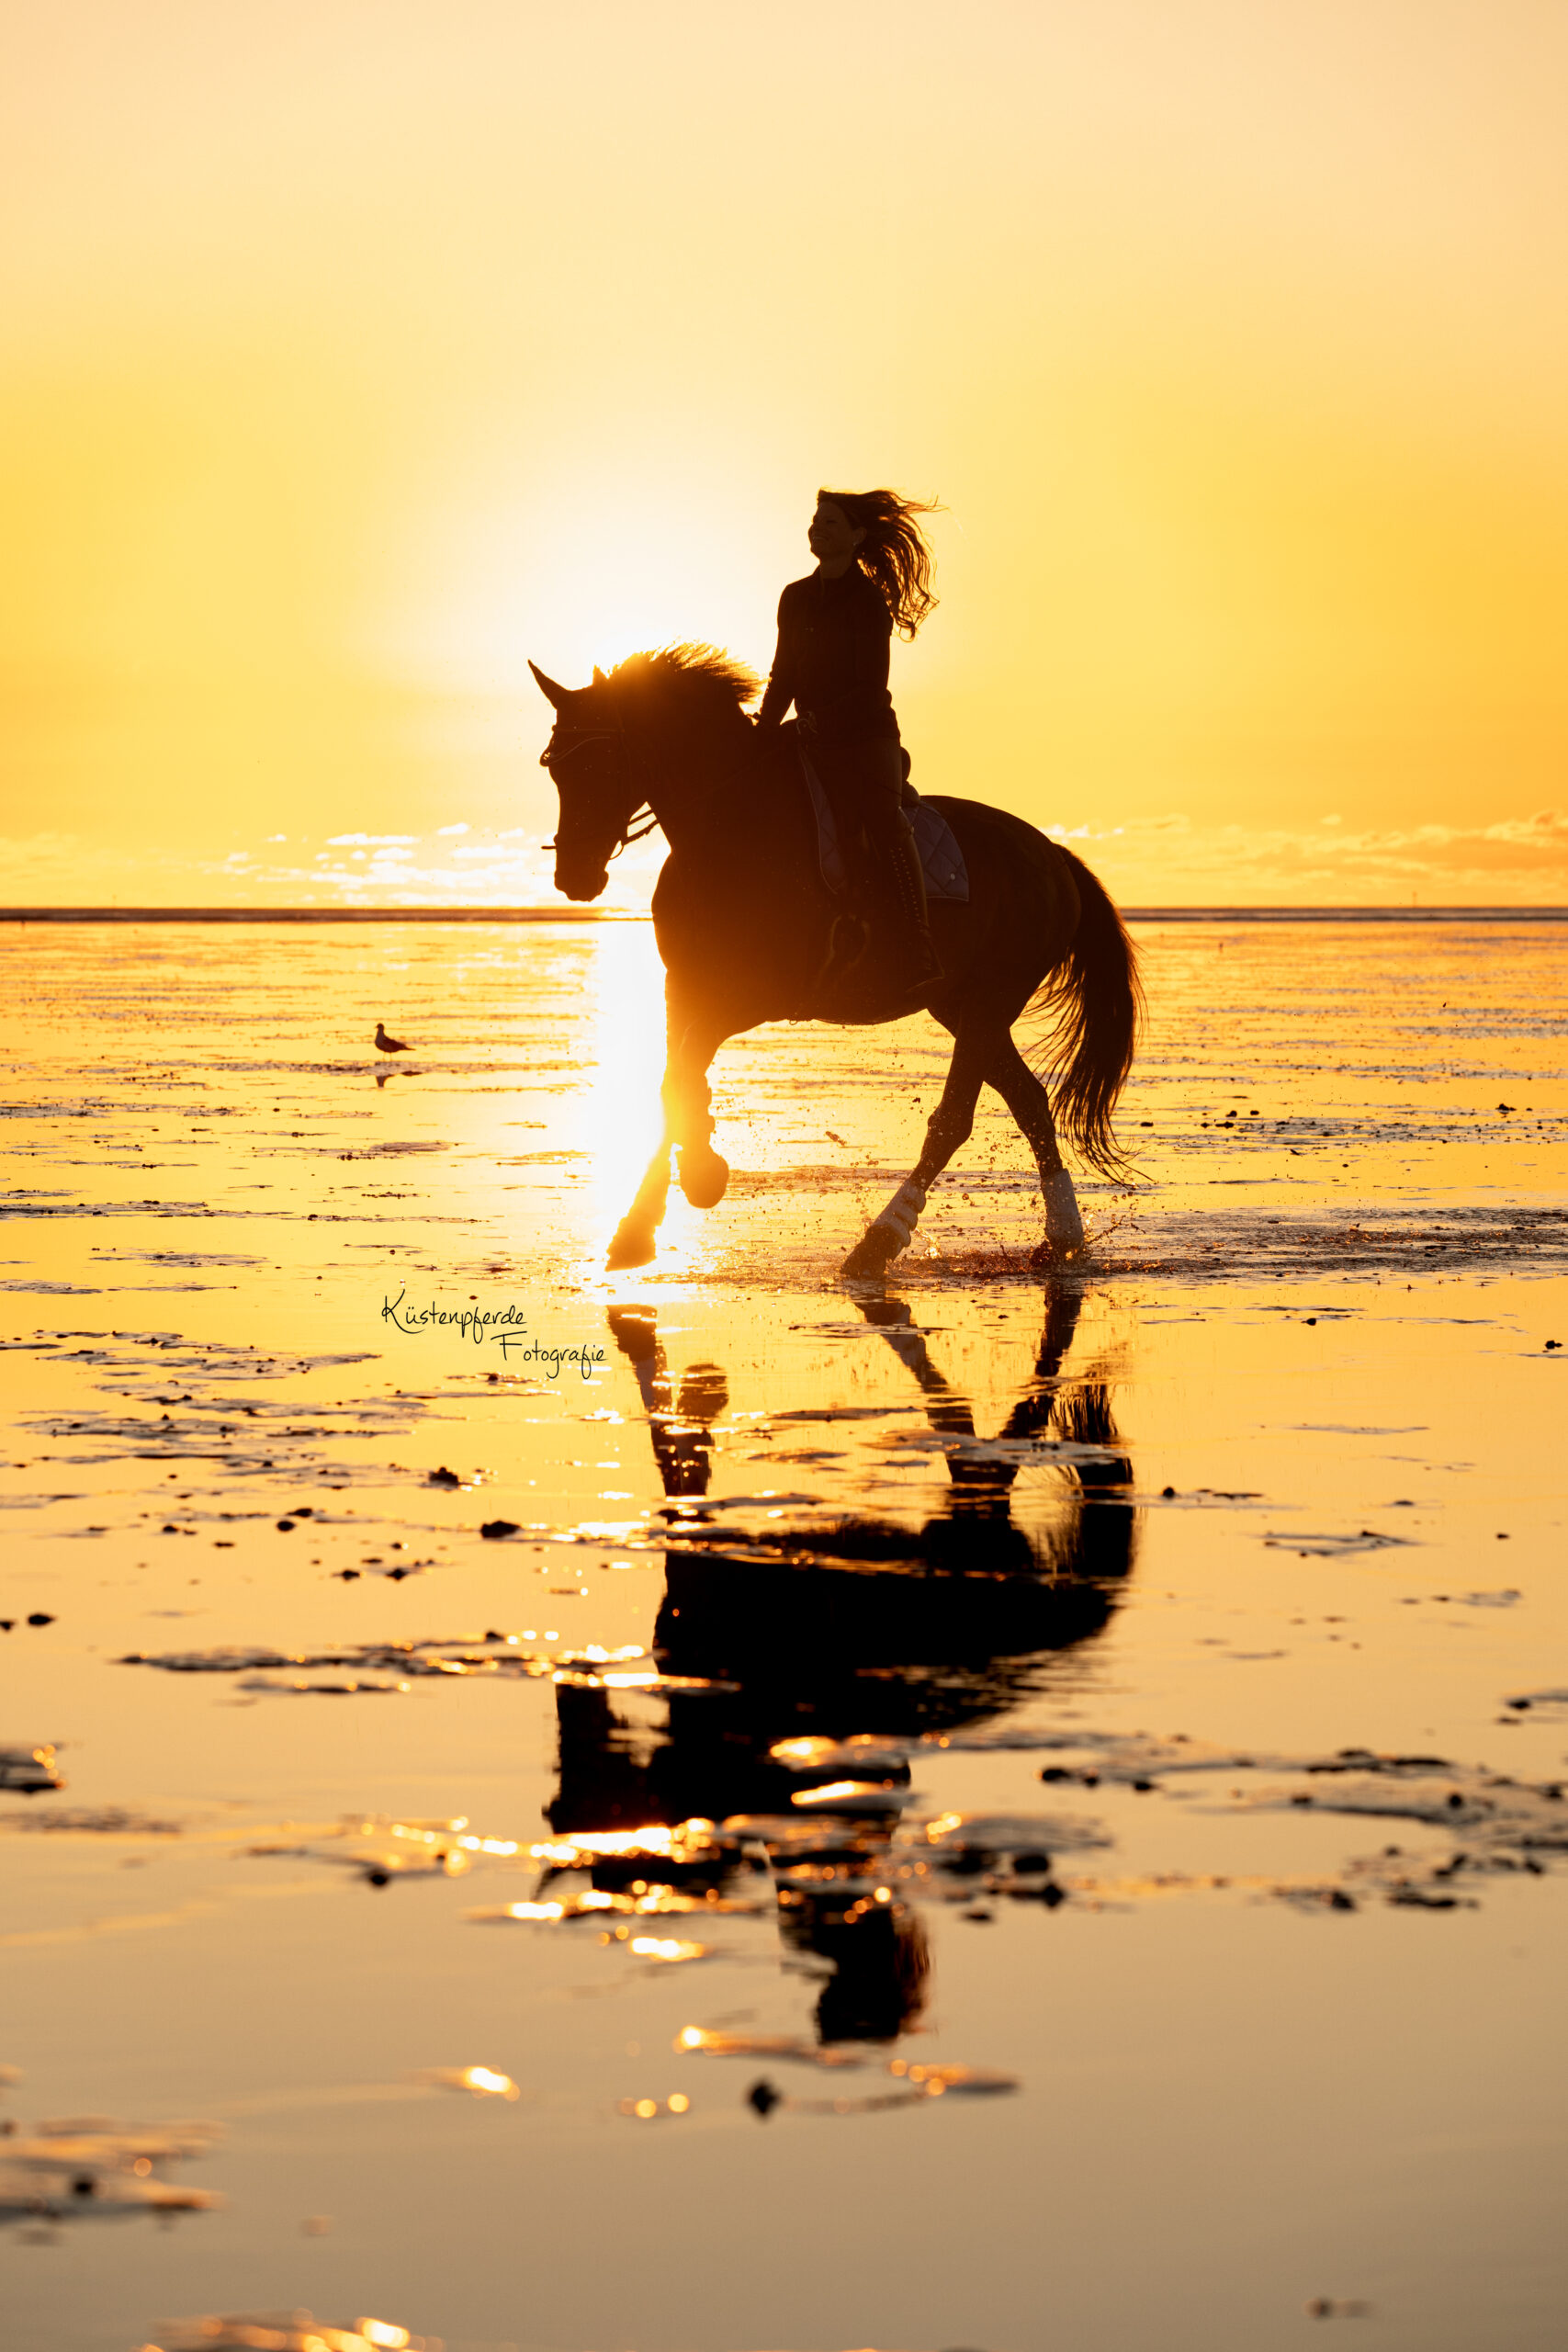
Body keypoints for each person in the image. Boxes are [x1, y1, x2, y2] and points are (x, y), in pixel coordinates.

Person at [756, 488, 942, 987]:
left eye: (830, 522)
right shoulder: (793, 596)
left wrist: (822, 722)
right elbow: (783, 676)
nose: (818, 527)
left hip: (865, 737)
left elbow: (869, 686)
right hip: (809, 734)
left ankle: (917, 940)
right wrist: (762, 729)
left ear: (857, 536)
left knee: (883, 819)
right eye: (815, 519)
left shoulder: (867, 600)